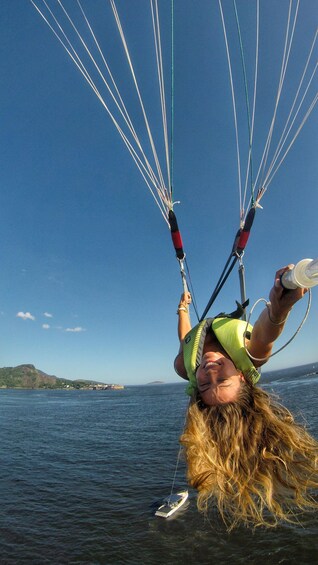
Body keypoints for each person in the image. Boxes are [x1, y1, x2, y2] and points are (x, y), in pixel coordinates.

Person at [174, 265, 318, 530]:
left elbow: (185, 340)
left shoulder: (186, 368)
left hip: (197, 334)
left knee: (180, 363)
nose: (208, 371)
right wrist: (278, 309)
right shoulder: (249, 360)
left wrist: (182, 308)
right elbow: (265, 336)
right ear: (241, 376)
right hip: (244, 323)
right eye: (222, 379)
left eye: (205, 384)